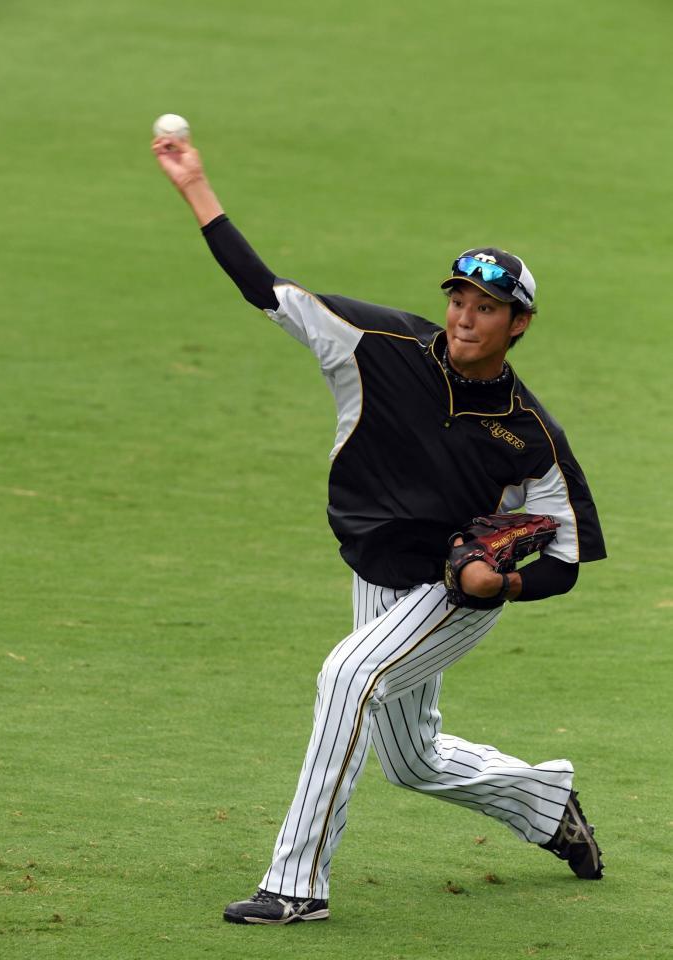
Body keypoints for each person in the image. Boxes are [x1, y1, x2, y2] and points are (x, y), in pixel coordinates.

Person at [152, 135, 607, 926]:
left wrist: (498, 582)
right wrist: (196, 186)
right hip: (375, 573)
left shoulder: (532, 435)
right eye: (459, 299)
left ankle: (295, 885)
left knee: (346, 678)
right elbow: (265, 290)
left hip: (449, 592)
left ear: (518, 323)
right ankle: (546, 799)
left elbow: (565, 560)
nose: (466, 317)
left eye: (487, 307)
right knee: (413, 759)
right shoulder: (376, 345)